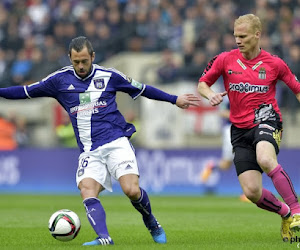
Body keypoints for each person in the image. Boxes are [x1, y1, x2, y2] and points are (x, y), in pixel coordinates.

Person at [0, 36, 200, 246]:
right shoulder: (58, 80)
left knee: (131, 190)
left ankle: (151, 221)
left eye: (84, 61)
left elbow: (143, 88)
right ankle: (104, 237)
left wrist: (174, 99)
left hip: (116, 142)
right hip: (89, 150)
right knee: (87, 189)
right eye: (76, 61)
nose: (80, 66)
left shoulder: (110, 76)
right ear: (70, 58)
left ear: (93, 57)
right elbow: (24, 92)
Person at [197, 14, 300, 241]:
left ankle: (296, 210)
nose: (238, 41)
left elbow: (297, 89)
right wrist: (211, 95)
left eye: (242, 36)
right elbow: (203, 83)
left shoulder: (275, 63)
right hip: (239, 129)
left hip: (267, 119)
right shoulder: (224, 59)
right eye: (235, 36)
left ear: (257, 34)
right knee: (251, 192)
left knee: (265, 158)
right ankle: (284, 213)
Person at [200, 97, 250, 202]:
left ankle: (212, 166)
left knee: (227, 165)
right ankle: (246, 193)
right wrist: (239, 117)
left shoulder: (248, 93)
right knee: (242, 161)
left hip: (244, 130)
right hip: (231, 131)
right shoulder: (229, 97)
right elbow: (222, 112)